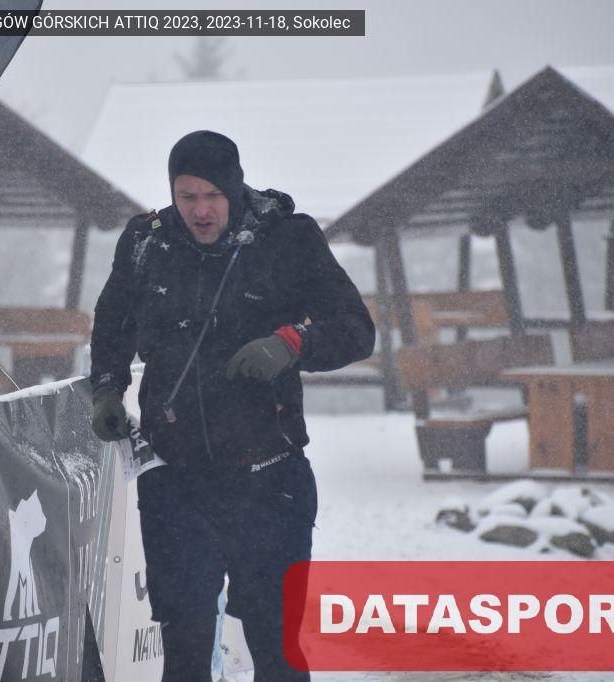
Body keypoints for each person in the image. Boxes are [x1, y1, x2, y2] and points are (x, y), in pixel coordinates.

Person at [89, 130, 375, 681]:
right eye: (187, 196)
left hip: (269, 480)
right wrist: (106, 387)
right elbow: (112, 324)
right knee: (185, 650)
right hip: (176, 481)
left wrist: (291, 344)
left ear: (235, 188)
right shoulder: (146, 243)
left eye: (212, 196)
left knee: (277, 650)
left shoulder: (286, 239)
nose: (200, 210)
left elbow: (356, 329)